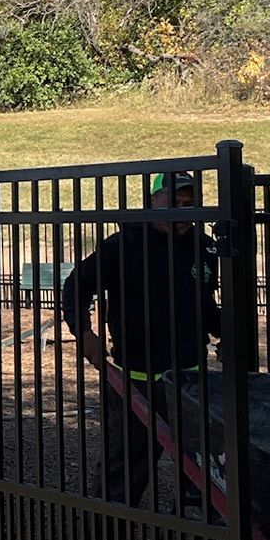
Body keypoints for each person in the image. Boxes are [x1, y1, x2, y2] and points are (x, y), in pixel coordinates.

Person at [59, 171, 221, 508]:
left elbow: (205, 304)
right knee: (125, 470)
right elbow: (76, 285)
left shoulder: (203, 247)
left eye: (189, 205)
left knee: (202, 470)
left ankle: (193, 539)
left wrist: (231, 337)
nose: (181, 212)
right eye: (174, 202)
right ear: (153, 202)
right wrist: (84, 332)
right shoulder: (124, 245)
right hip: (136, 383)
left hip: (191, 383)